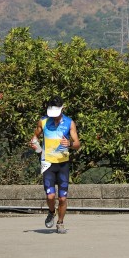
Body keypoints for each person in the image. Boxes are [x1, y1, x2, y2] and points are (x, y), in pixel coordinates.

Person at [30, 95, 80, 234]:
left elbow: (77, 144)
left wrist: (69, 143)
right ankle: (51, 212)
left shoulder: (69, 123)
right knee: (50, 196)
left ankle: (60, 222)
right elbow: (34, 138)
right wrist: (36, 147)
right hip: (48, 163)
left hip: (63, 164)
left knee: (62, 198)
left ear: (62, 109)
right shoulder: (43, 121)